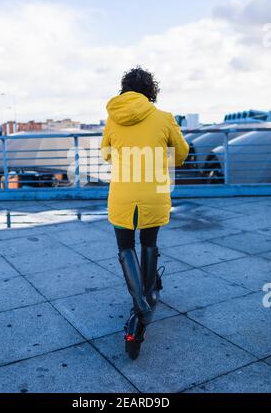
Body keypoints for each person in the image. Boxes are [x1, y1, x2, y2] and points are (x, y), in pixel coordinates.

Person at [101, 66, 189, 359]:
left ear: (124, 89)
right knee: (149, 244)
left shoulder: (113, 119)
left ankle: (140, 303)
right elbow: (182, 153)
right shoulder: (163, 118)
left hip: (123, 194)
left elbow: (106, 153)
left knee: (125, 248)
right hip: (153, 193)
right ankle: (145, 302)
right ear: (151, 91)